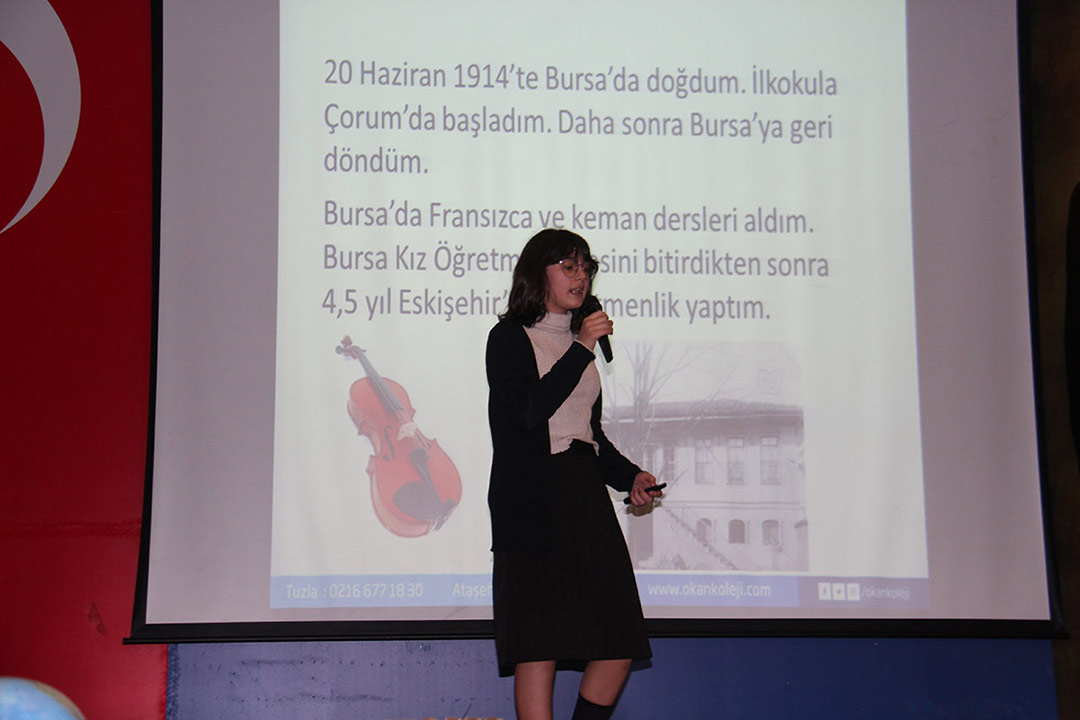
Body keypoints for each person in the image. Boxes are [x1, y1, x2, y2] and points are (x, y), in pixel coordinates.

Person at [486, 228, 663, 720]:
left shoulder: (577, 344)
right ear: (537, 273)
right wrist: (582, 346)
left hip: (583, 494)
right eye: (568, 266)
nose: (580, 276)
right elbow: (529, 413)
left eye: (586, 267)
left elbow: (588, 432)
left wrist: (630, 476)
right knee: (538, 642)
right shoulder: (509, 338)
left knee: (619, 638)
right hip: (533, 501)